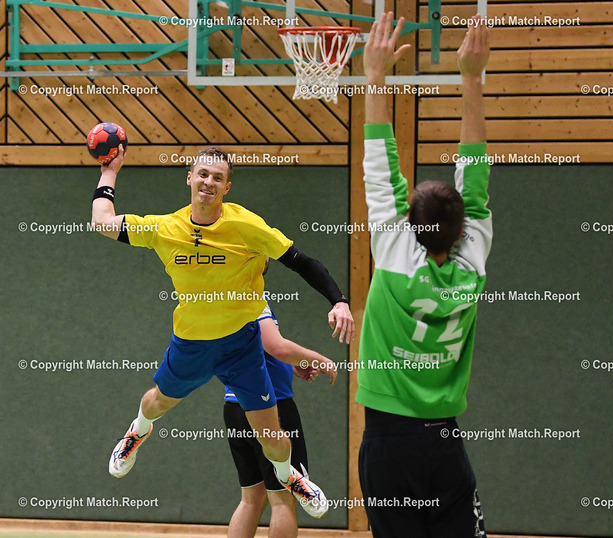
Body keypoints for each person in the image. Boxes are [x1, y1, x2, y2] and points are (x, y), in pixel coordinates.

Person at [91, 145, 354, 518]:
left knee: (273, 438)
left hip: (240, 346)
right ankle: (137, 431)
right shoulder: (165, 228)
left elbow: (302, 262)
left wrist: (338, 301)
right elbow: (103, 222)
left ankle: (289, 475)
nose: (208, 182)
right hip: (191, 345)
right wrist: (110, 170)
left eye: (218, 177)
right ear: (190, 178)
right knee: (157, 403)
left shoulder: (247, 226)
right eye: (203, 174)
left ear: (227, 187)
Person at [356, 12, 491, 537]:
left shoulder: (393, 251)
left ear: (410, 224)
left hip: (387, 442)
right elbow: (474, 177)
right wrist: (472, 80)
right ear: (462, 230)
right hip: (444, 443)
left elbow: (379, 164)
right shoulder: (471, 265)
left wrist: (374, 77)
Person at [224, 265, 337, 537]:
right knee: (284, 499)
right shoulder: (252, 297)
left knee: (251, 498)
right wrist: (317, 358)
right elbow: (276, 346)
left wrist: (290, 365)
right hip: (271, 408)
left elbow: (260, 348)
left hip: (235, 407)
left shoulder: (224, 298)